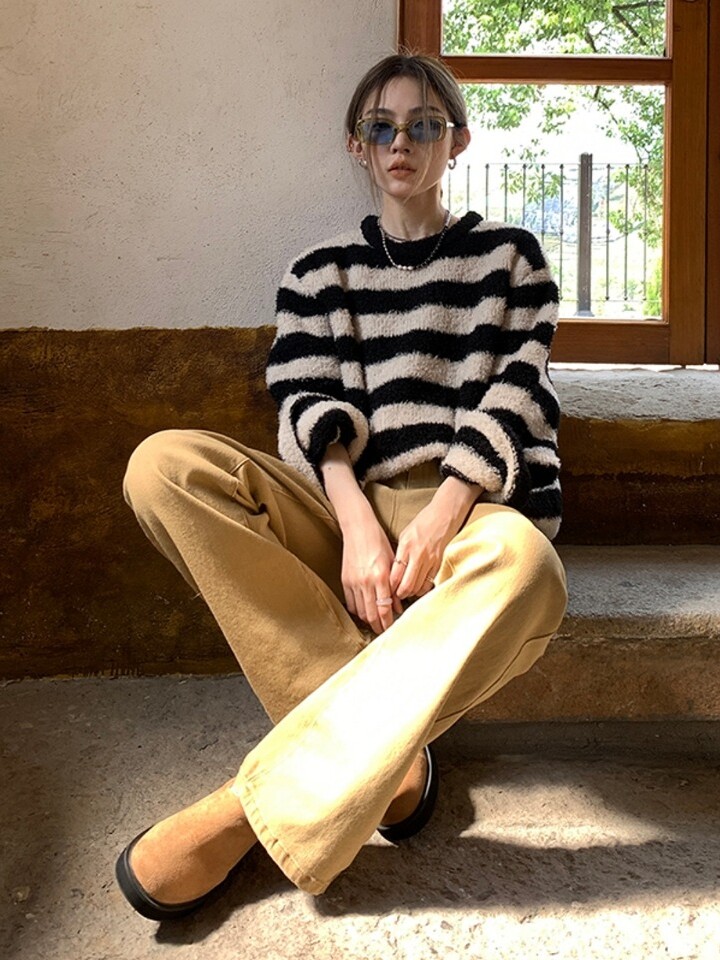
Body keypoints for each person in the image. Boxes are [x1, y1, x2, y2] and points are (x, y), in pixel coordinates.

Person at [115, 52, 568, 921]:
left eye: (424, 125)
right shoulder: (317, 273)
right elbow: (306, 401)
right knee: (163, 466)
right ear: (356, 145)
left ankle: (254, 809)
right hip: (343, 505)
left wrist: (445, 510)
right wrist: (357, 524)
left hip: (469, 512)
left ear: (457, 141)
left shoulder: (512, 258)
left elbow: (520, 393)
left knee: (530, 569)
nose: (402, 142)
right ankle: (393, 767)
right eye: (381, 126)